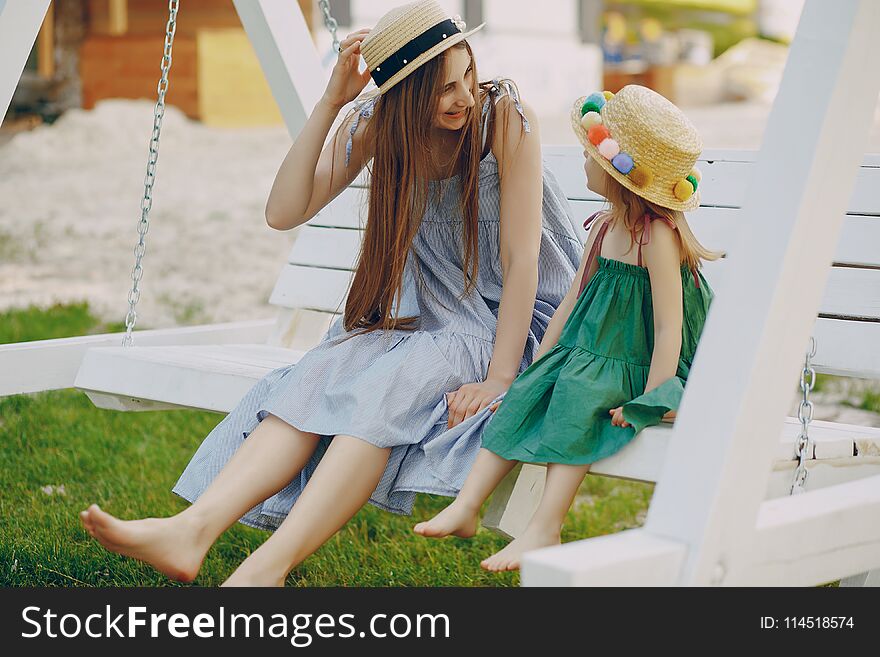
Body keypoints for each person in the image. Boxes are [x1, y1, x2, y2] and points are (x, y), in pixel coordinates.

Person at [78, 0, 583, 586]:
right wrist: (330, 103)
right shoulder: (375, 124)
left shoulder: (504, 118)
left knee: (382, 388)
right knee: (316, 377)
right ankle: (191, 530)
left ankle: (265, 569)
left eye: (468, 75)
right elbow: (283, 211)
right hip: (427, 318)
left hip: (511, 323)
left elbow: (521, 259)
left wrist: (499, 379)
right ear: (404, 96)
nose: (465, 97)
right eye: (445, 89)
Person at [415, 85, 721, 572]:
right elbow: (574, 298)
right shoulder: (603, 225)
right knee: (525, 393)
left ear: (619, 174)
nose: (582, 164)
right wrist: (540, 362)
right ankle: (467, 505)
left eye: (589, 156)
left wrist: (653, 396)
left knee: (578, 396)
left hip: (644, 361)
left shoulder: (657, 236)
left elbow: (669, 328)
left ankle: (545, 527)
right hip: (596, 347)